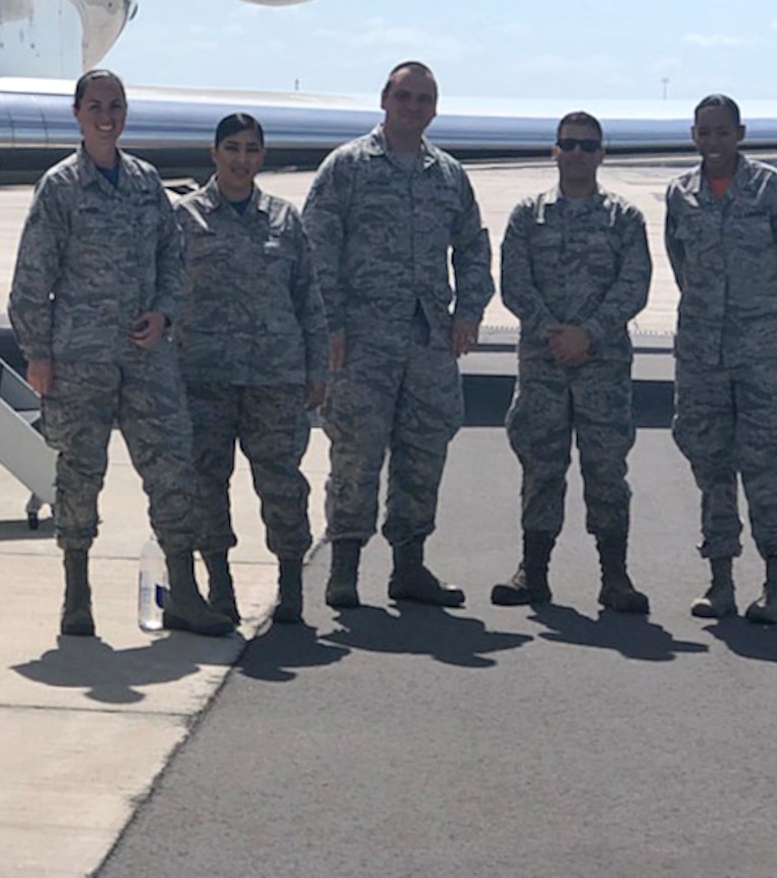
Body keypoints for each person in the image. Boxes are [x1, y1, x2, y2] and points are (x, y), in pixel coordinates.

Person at [8, 68, 232, 639]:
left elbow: (173, 260)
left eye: (116, 106)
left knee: (171, 467)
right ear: (78, 114)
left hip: (144, 358)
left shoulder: (144, 182)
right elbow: (32, 276)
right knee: (79, 475)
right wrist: (37, 353)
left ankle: (183, 591)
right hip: (78, 358)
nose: (107, 117)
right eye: (96, 106)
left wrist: (164, 314)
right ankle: (77, 594)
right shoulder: (60, 187)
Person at [303, 61, 493, 609]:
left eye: (424, 99)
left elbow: (473, 245)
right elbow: (317, 249)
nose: (413, 107)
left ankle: (409, 566)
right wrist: (330, 325)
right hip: (361, 342)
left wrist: (470, 309)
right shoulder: (347, 167)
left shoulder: (448, 174)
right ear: (384, 99)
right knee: (356, 455)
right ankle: (344, 568)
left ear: (434, 108)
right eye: (404, 96)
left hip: (428, 339)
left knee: (424, 451)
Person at [173, 113, 331, 626]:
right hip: (204, 376)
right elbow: (164, 290)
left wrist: (316, 367)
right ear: (214, 154)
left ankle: (290, 583)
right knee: (205, 483)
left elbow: (309, 298)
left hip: (274, 377)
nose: (242, 159)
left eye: (251, 150)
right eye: (233, 148)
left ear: (262, 157)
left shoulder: (285, 220)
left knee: (282, 482)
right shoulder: (185, 218)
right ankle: (219, 584)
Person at [492, 112, 653, 613]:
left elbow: (634, 286)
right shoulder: (527, 215)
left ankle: (615, 577)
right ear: (554, 151)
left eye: (588, 146)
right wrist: (553, 333)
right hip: (543, 366)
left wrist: (589, 334)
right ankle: (532, 573)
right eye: (569, 145)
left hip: (602, 367)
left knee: (606, 470)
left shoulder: (624, 219)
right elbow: (515, 284)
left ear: (602, 154)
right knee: (541, 467)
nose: (578, 154)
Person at [663, 93, 777, 624]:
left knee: (767, 463)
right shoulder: (681, 194)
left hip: (762, 351)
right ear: (693, 136)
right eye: (705, 133)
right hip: (703, 352)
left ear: (740, 134)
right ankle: (720, 581)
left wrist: (762, 308)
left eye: (723, 132)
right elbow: (680, 262)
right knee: (710, 463)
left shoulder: (771, 189)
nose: (714, 142)